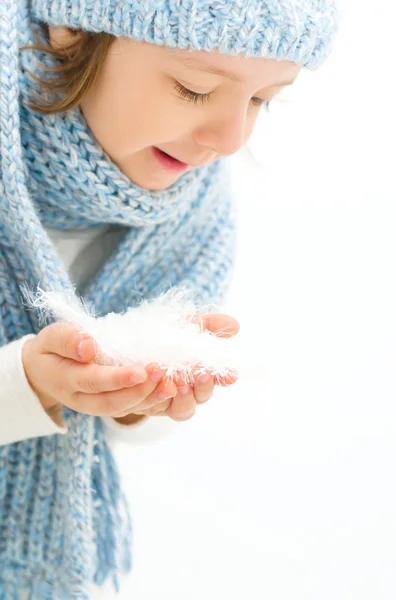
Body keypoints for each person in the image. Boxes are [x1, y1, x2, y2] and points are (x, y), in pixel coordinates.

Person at [0, 0, 340, 598]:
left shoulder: (194, 218)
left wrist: (128, 400)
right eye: (194, 87)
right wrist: (24, 384)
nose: (231, 139)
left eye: (262, 99)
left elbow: (117, 439)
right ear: (72, 26)